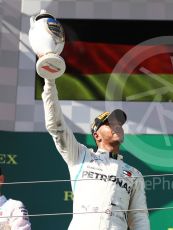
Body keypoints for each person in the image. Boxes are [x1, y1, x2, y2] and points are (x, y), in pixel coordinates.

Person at [41, 77, 151, 229]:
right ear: (97, 135)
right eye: (109, 124)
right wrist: (49, 82)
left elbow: (139, 219)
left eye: (119, 124)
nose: (117, 126)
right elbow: (56, 126)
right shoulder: (81, 155)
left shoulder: (134, 173)